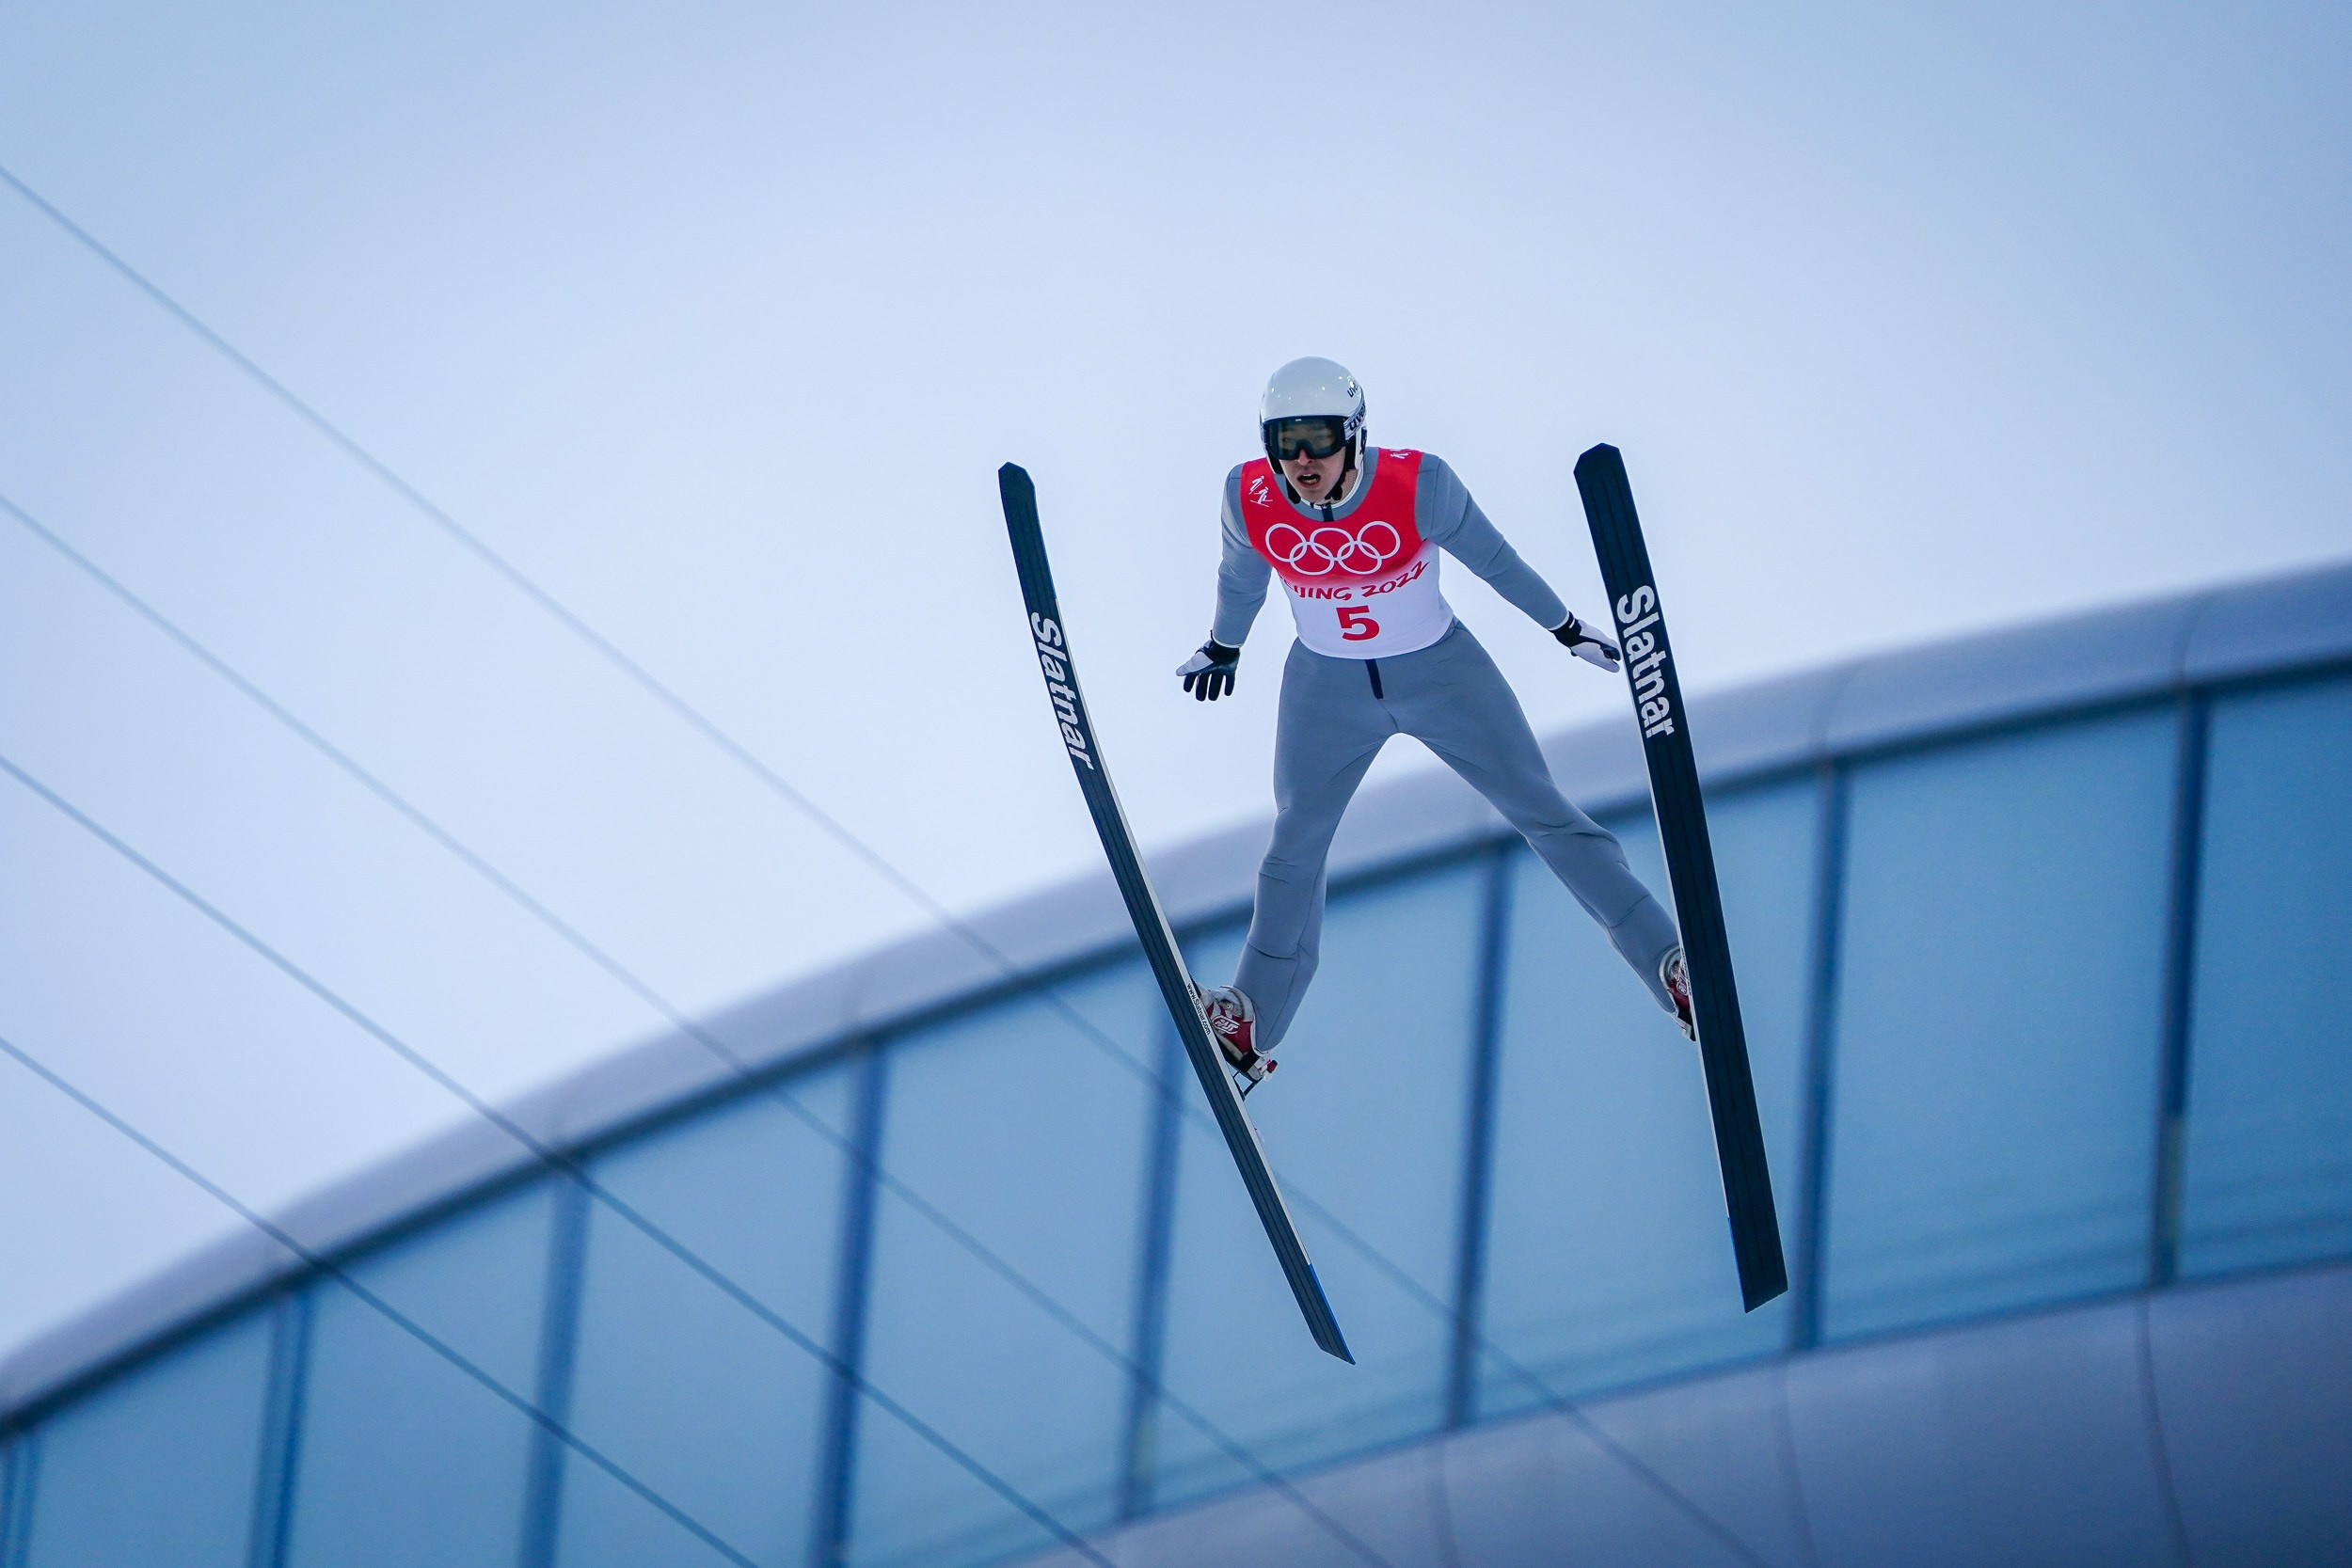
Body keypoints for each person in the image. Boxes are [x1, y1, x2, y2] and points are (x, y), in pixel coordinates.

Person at [1176, 356, 1692, 1085]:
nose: (1302, 460)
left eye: (1319, 438)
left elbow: (1497, 561)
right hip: (1325, 686)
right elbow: (1241, 575)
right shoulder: (1249, 494)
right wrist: (1225, 645)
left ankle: (1671, 964)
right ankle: (1251, 1016)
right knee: (1294, 846)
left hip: (1442, 673)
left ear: (1354, 435)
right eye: (1285, 440)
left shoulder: (1417, 484)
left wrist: (1567, 627)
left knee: (1544, 811)